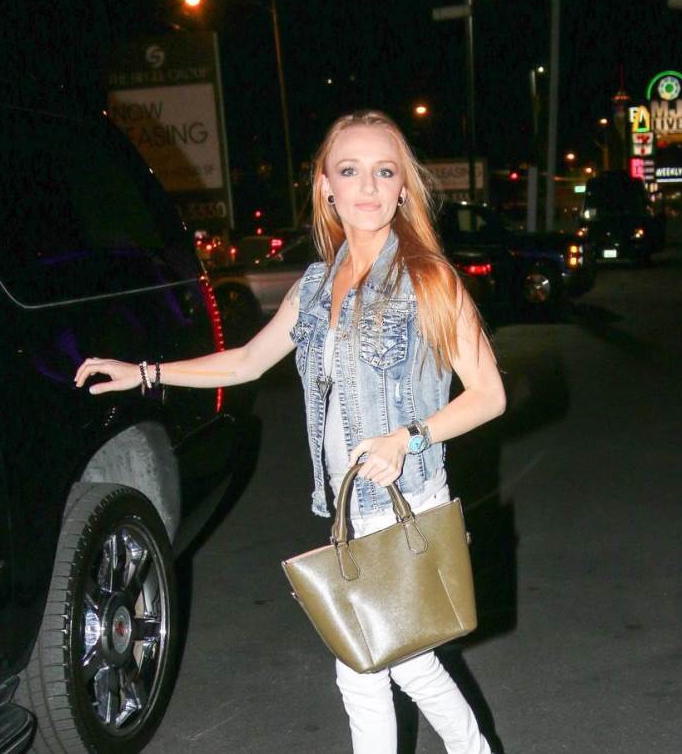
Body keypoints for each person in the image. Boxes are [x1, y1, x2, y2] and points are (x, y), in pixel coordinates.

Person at [75, 110, 506, 754]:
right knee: (409, 663)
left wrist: (409, 437)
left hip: (405, 502)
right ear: (325, 186)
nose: (368, 186)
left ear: (403, 188)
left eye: (384, 171)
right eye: (350, 171)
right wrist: (144, 373)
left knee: (362, 670)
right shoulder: (316, 285)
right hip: (349, 507)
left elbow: (490, 395)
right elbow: (247, 361)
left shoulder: (427, 279)